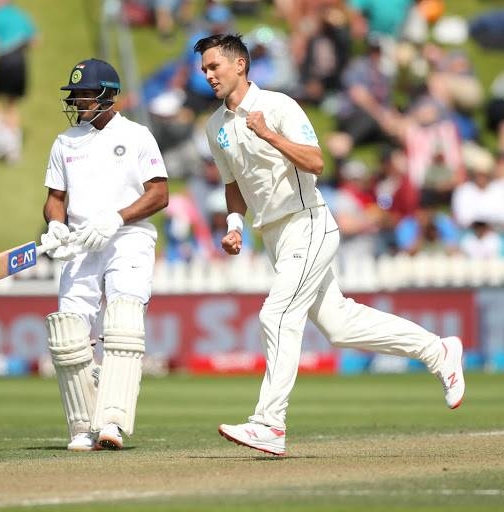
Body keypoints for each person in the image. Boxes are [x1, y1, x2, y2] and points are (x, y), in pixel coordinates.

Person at [193, 33, 465, 456]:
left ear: (240, 65)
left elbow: (317, 161)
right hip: (275, 237)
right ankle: (438, 350)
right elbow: (234, 184)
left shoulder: (279, 106)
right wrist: (234, 225)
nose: (208, 75)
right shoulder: (215, 127)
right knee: (340, 325)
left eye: (215, 66)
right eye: (205, 68)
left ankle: (269, 423)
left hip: (309, 223)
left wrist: (269, 135)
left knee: (277, 314)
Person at [41, 58, 169, 451]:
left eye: (85, 93)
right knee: (69, 335)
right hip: (81, 241)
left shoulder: (137, 135)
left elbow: (159, 194)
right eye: (75, 94)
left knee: (123, 322)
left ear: (108, 95)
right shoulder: (65, 142)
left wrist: (116, 218)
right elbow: (55, 199)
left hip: (127, 237)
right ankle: (83, 425)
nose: (78, 100)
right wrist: (56, 225)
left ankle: (112, 421)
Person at [0, 0, 37, 162]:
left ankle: (1, 140)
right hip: (21, 61)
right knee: (12, 103)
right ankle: (14, 148)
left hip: (5, 60)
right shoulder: (21, 15)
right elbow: (35, 41)